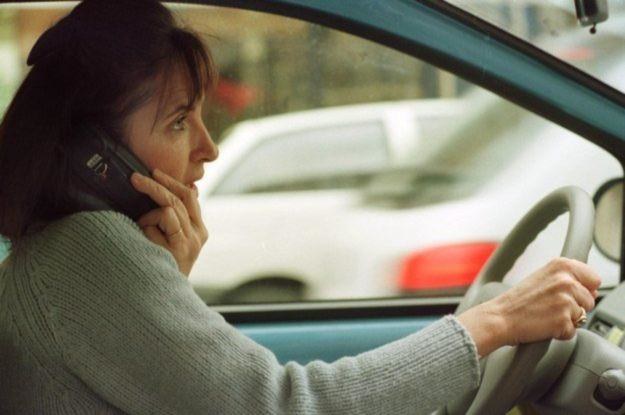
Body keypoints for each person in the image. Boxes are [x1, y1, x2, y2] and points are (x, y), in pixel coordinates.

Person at [0, 1, 601, 414]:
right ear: (93, 157)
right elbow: (287, 404)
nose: (207, 149)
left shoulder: (61, 256)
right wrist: (494, 323)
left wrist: (168, 282)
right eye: (180, 121)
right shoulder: (86, 252)